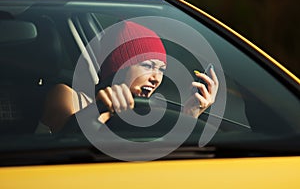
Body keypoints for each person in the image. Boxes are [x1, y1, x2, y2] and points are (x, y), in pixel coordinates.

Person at [40, 21, 219, 133]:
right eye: (147, 66)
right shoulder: (68, 97)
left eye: (162, 69)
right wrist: (98, 111)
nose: (156, 78)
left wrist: (190, 114)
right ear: (118, 67)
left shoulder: (148, 113)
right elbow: (66, 146)